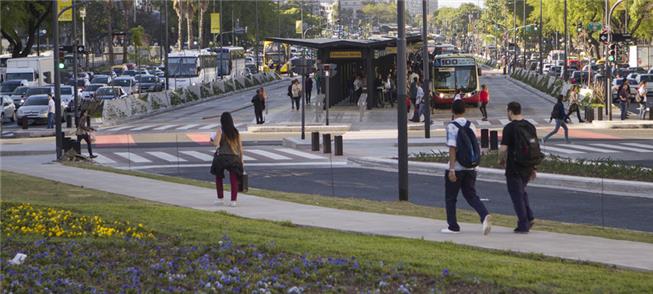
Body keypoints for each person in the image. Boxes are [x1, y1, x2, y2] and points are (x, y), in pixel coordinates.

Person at [441, 100, 492, 235]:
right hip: (471, 167)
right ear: (465, 111)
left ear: (452, 111)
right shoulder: (472, 126)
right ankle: (484, 214)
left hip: (457, 167)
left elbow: (452, 148)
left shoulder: (452, 126)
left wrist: (452, 169)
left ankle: (453, 226)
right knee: (471, 195)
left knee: (451, 198)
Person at [499, 102, 542, 234]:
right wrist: (534, 167)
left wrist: (501, 160)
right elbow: (533, 148)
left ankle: (523, 224)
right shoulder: (529, 126)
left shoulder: (509, 128)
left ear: (510, 112)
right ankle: (529, 217)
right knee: (522, 192)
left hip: (514, 166)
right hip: (528, 166)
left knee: (516, 196)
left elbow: (503, 148)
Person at [210, 112, 244, 207]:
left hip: (222, 158)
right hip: (234, 158)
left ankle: (220, 198)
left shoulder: (220, 130)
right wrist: (241, 160)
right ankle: (233, 201)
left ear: (222, 121)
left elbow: (215, 143)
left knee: (219, 177)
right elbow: (240, 148)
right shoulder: (236, 132)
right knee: (234, 179)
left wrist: (212, 139)